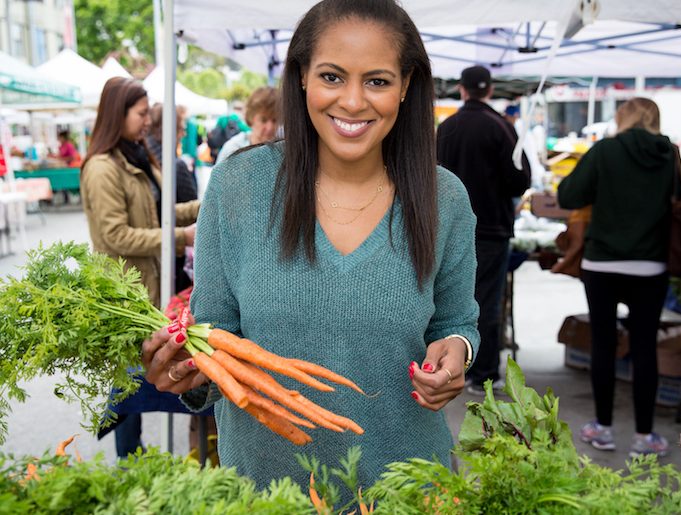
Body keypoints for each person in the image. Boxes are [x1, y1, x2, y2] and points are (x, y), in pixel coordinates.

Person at [141, 0, 480, 496]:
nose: (353, 102)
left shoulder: (444, 197)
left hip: (407, 491)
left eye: (378, 81)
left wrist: (457, 354)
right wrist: (185, 369)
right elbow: (213, 336)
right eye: (333, 77)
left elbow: (456, 323)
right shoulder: (240, 187)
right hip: (266, 494)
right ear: (301, 77)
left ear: (407, 86)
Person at [81, 77, 200, 457]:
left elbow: (159, 214)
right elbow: (117, 236)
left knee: (145, 376)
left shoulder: (139, 156)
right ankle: (128, 461)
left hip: (149, 288)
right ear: (119, 113)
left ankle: (136, 457)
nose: (148, 120)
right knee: (128, 390)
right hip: (123, 295)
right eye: (141, 112)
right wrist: (183, 235)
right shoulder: (102, 168)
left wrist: (205, 206)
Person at [557, 98, 674, 457]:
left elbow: (568, 194)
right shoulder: (669, 152)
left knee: (604, 346)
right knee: (644, 349)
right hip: (650, 265)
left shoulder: (605, 150)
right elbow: (680, 199)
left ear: (622, 118)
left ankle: (603, 429)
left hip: (603, 264)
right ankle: (644, 436)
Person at [436, 66, 530, 394]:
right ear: (489, 90)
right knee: (486, 302)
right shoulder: (502, 127)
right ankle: (484, 374)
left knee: (446, 302)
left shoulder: (446, 127)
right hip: (491, 229)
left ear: (462, 90)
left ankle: (442, 366)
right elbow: (521, 179)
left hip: (446, 229)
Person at [147, 103, 199, 292]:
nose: (183, 133)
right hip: (171, 254)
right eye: (181, 128)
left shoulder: (144, 159)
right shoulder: (174, 166)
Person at [215, 86, 280, 164]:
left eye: (274, 120)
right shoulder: (233, 150)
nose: (270, 127)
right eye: (263, 120)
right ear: (250, 118)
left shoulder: (281, 151)